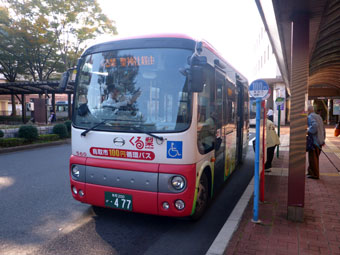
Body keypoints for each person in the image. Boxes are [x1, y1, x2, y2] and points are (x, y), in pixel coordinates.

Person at [307, 105, 326, 179]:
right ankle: (311, 171)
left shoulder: (310, 117)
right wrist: (323, 139)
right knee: (316, 158)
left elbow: (314, 126)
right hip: (320, 140)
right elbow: (323, 129)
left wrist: (308, 131)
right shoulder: (319, 117)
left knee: (312, 158)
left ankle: (315, 174)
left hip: (314, 141)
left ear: (309, 111)